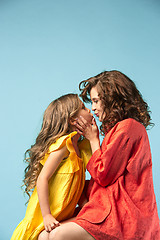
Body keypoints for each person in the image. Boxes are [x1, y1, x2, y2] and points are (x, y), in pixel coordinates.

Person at [43, 70, 160, 240]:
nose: (93, 108)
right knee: (44, 235)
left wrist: (93, 140)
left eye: (96, 101)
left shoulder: (129, 128)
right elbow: (102, 183)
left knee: (57, 235)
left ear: (113, 99)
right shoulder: (116, 131)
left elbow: (103, 174)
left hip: (123, 216)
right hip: (106, 209)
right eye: (92, 102)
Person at [11, 93, 93, 240]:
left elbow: (73, 184)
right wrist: (47, 215)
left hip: (60, 216)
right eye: (83, 107)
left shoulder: (80, 148)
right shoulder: (64, 145)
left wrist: (84, 203)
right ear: (73, 119)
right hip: (44, 216)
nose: (89, 110)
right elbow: (42, 178)